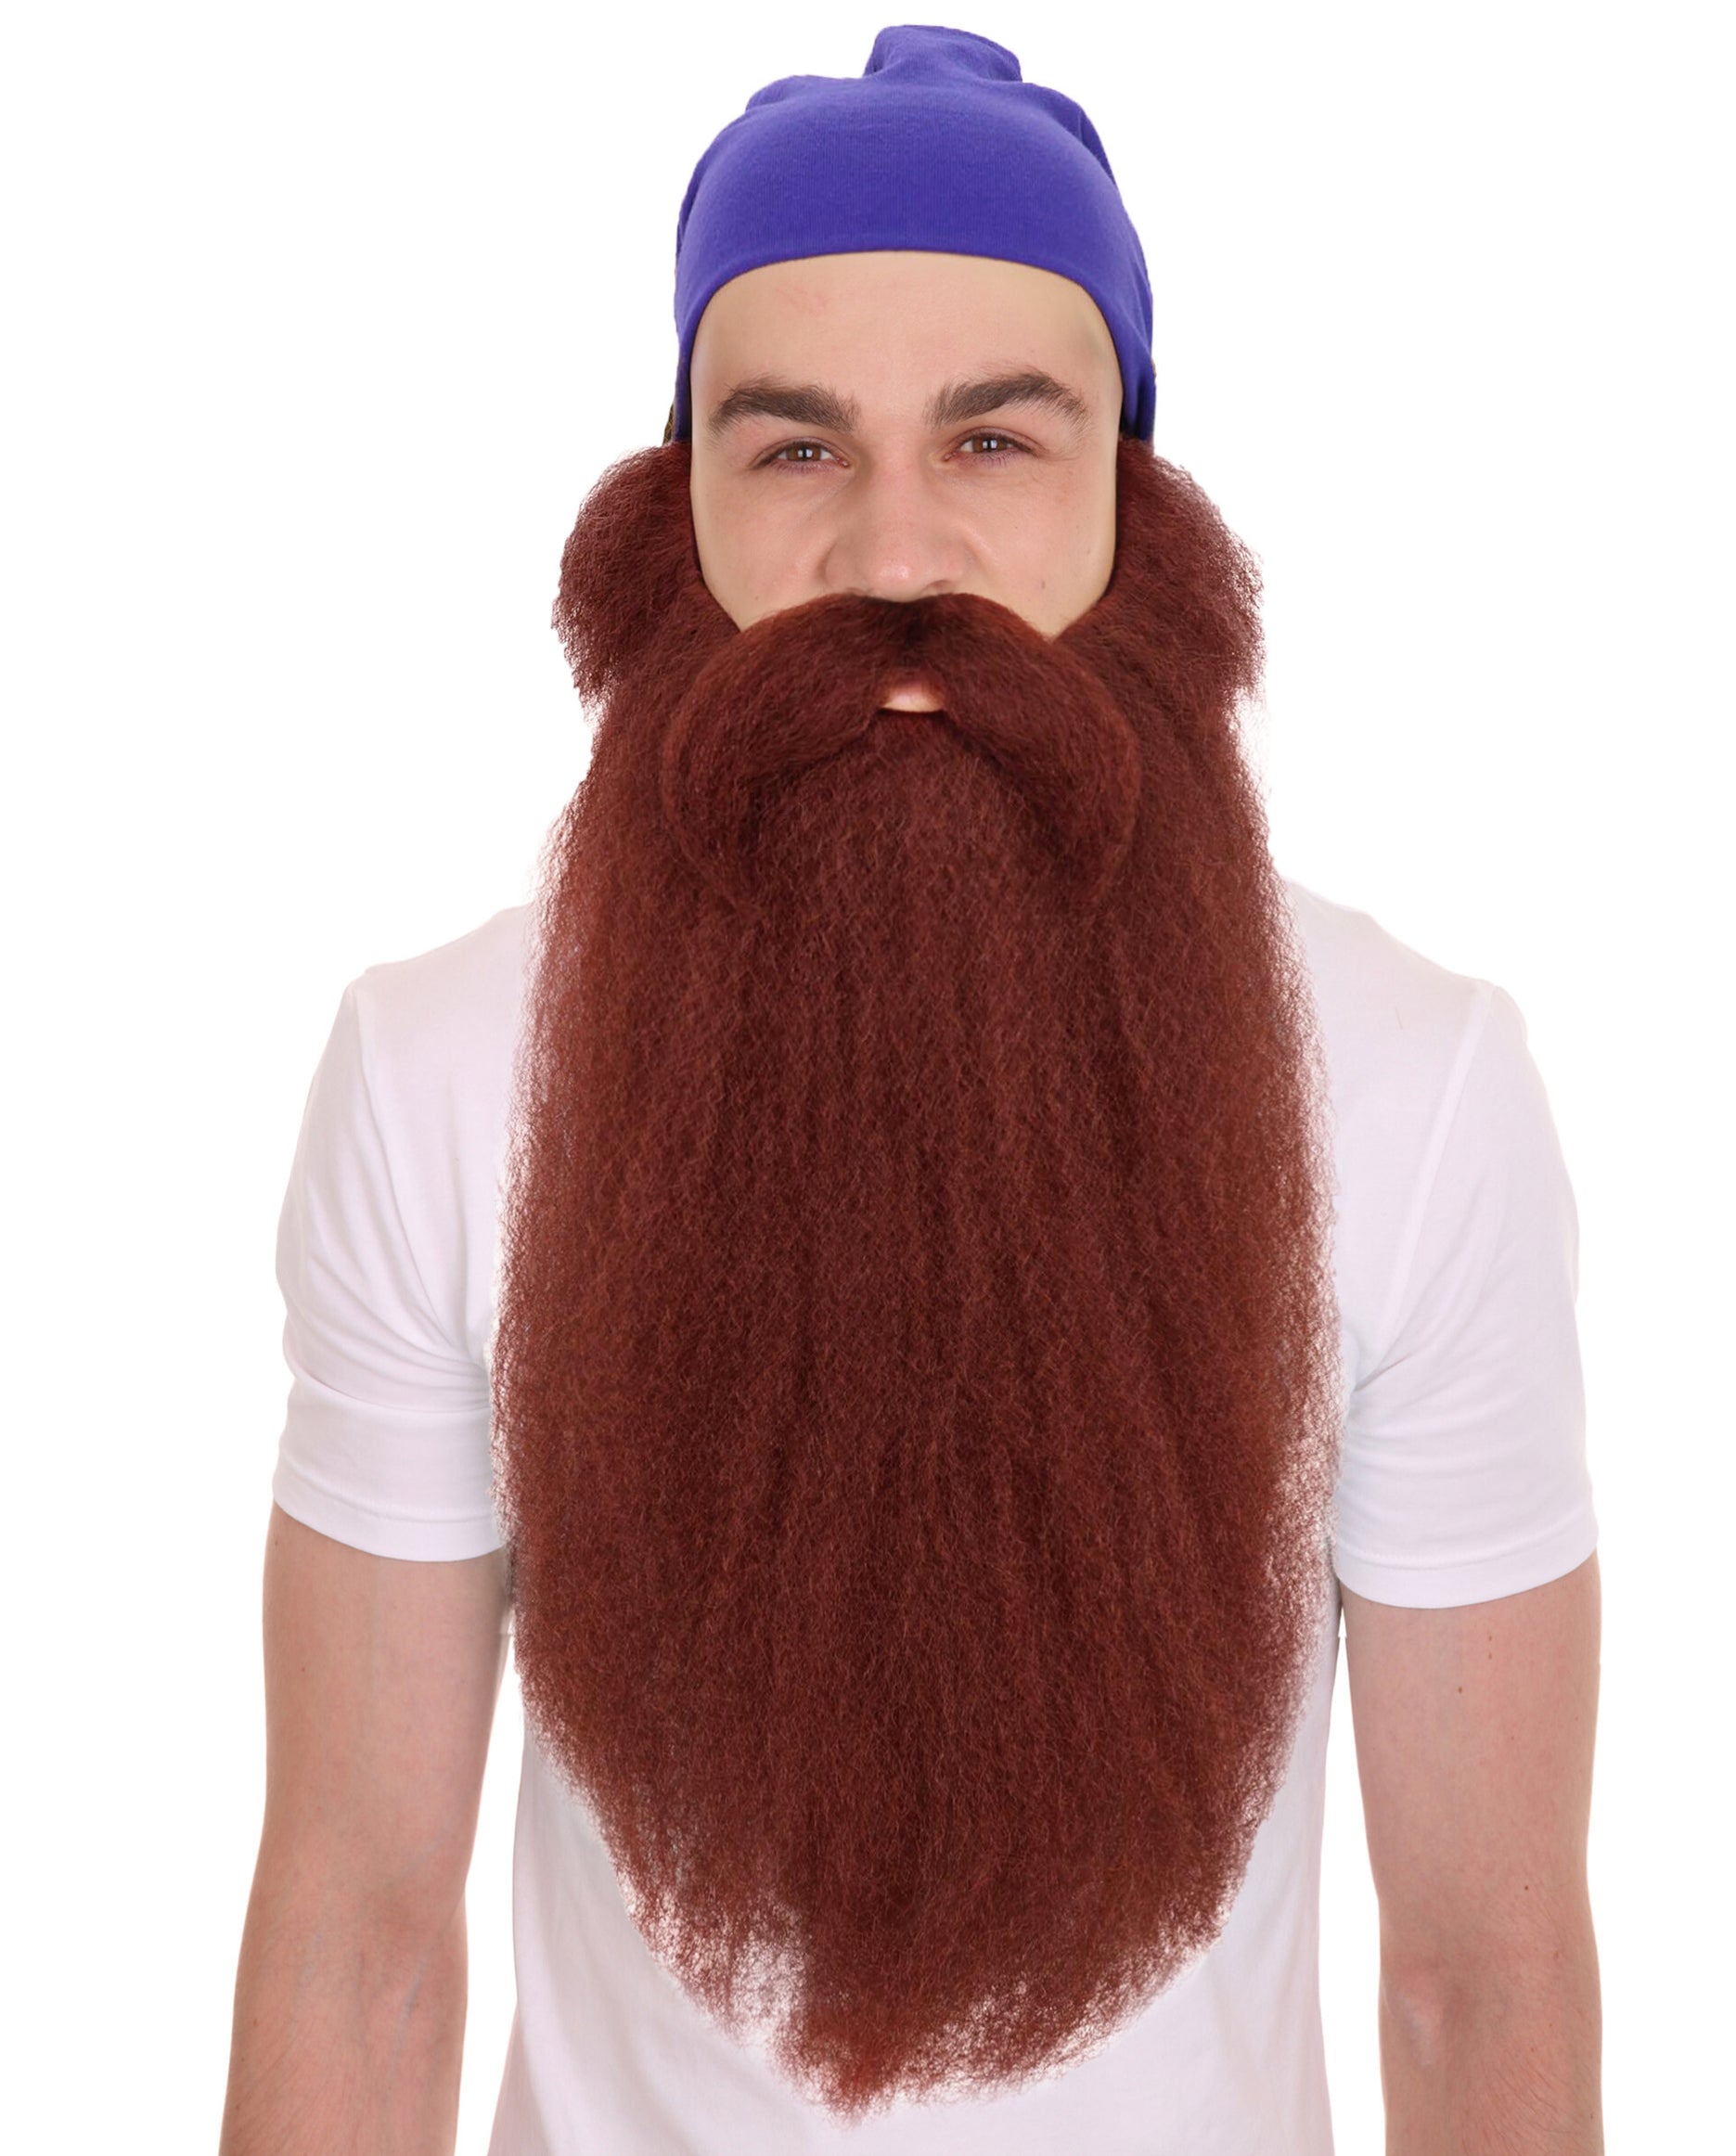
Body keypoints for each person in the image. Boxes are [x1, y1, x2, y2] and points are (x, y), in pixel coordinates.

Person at [220, 26, 1603, 2155]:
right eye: (794, 447)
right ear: (671, 514)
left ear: (1132, 506)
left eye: (991, 439)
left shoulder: (1415, 1095)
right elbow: (361, 1925)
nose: (892, 557)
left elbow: (1479, 1971)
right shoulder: (438, 1074)